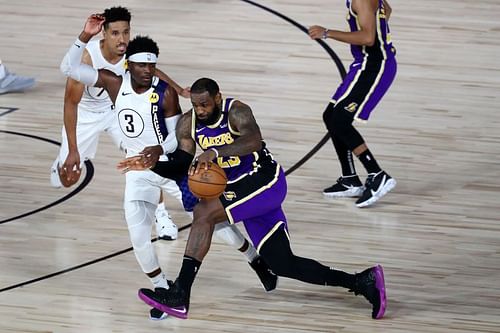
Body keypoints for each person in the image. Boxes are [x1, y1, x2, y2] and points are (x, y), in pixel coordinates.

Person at [60, 15, 278, 320]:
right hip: (137, 169)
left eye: (152, 65)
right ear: (129, 66)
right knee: (138, 238)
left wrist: (157, 150)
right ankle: (164, 290)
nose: (149, 71)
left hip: (173, 167)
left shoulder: (165, 93)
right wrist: (84, 35)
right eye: (142, 66)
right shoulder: (112, 83)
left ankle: (257, 261)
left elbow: (180, 142)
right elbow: (68, 69)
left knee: (213, 223)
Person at [127, 78, 386, 320]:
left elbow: (253, 140)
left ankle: (180, 293)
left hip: (265, 180)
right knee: (282, 263)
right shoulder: (189, 122)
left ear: (218, 98)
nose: (200, 110)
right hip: (243, 191)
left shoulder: (237, 111)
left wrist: (215, 152)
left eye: (205, 104)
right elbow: (182, 163)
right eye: (195, 105)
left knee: (204, 212)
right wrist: (151, 165)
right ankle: (361, 282)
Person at [50, 6, 182, 240]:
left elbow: (150, 71)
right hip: (86, 115)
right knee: (67, 179)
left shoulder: (130, 53)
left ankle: (161, 216)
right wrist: (72, 149)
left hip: (117, 110)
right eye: (115, 33)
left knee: (146, 154)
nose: (122, 39)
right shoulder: (87, 57)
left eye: (126, 32)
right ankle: (59, 161)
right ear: (104, 34)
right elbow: (70, 104)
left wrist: (179, 90)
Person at [308, 0, 397, 208]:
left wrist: (327, 33)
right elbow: (387, 10)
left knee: (340, 121)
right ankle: (350, 179)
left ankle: (377, 174)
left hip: (375, 66)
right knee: (330, 116)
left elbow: (367, 37)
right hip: (363, 64)